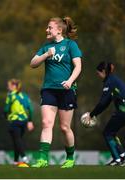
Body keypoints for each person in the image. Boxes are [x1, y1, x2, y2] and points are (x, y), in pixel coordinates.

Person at [30, 16, 82, 168]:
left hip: (67, 91)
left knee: (64, 127)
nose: (47, 30)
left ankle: (70, 158)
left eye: (50, 28)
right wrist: (46, 55)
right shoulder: (46, 47)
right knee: (46, 123)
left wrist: (70, 81)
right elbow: (33, 63)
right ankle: (42, 159)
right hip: (48, 90)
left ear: (59, 30)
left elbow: (78, 66)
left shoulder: (70, 45)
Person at [88, 61, 125, 166]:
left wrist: (91, 115)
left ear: (104, 71)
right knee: (111, 132)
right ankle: (123, 156)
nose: (98, 76)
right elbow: (106, 103)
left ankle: (117, 159)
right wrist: (95, 114)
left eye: (98, 73)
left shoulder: (109, 82)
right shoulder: (114, 80)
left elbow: (102, 103)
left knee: (107, 133)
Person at [4, 78, 34, 166]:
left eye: (9, 85)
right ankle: (16, 161)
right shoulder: (25, 95)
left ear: (14, 86)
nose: (8, 87)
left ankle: (24, 157)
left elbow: (6, 109)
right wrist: (30, 121)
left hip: (15, 120)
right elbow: (31, 109)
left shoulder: (11, 95)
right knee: (18, 140)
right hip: (24, 121)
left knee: (16, 139)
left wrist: (5, 116)